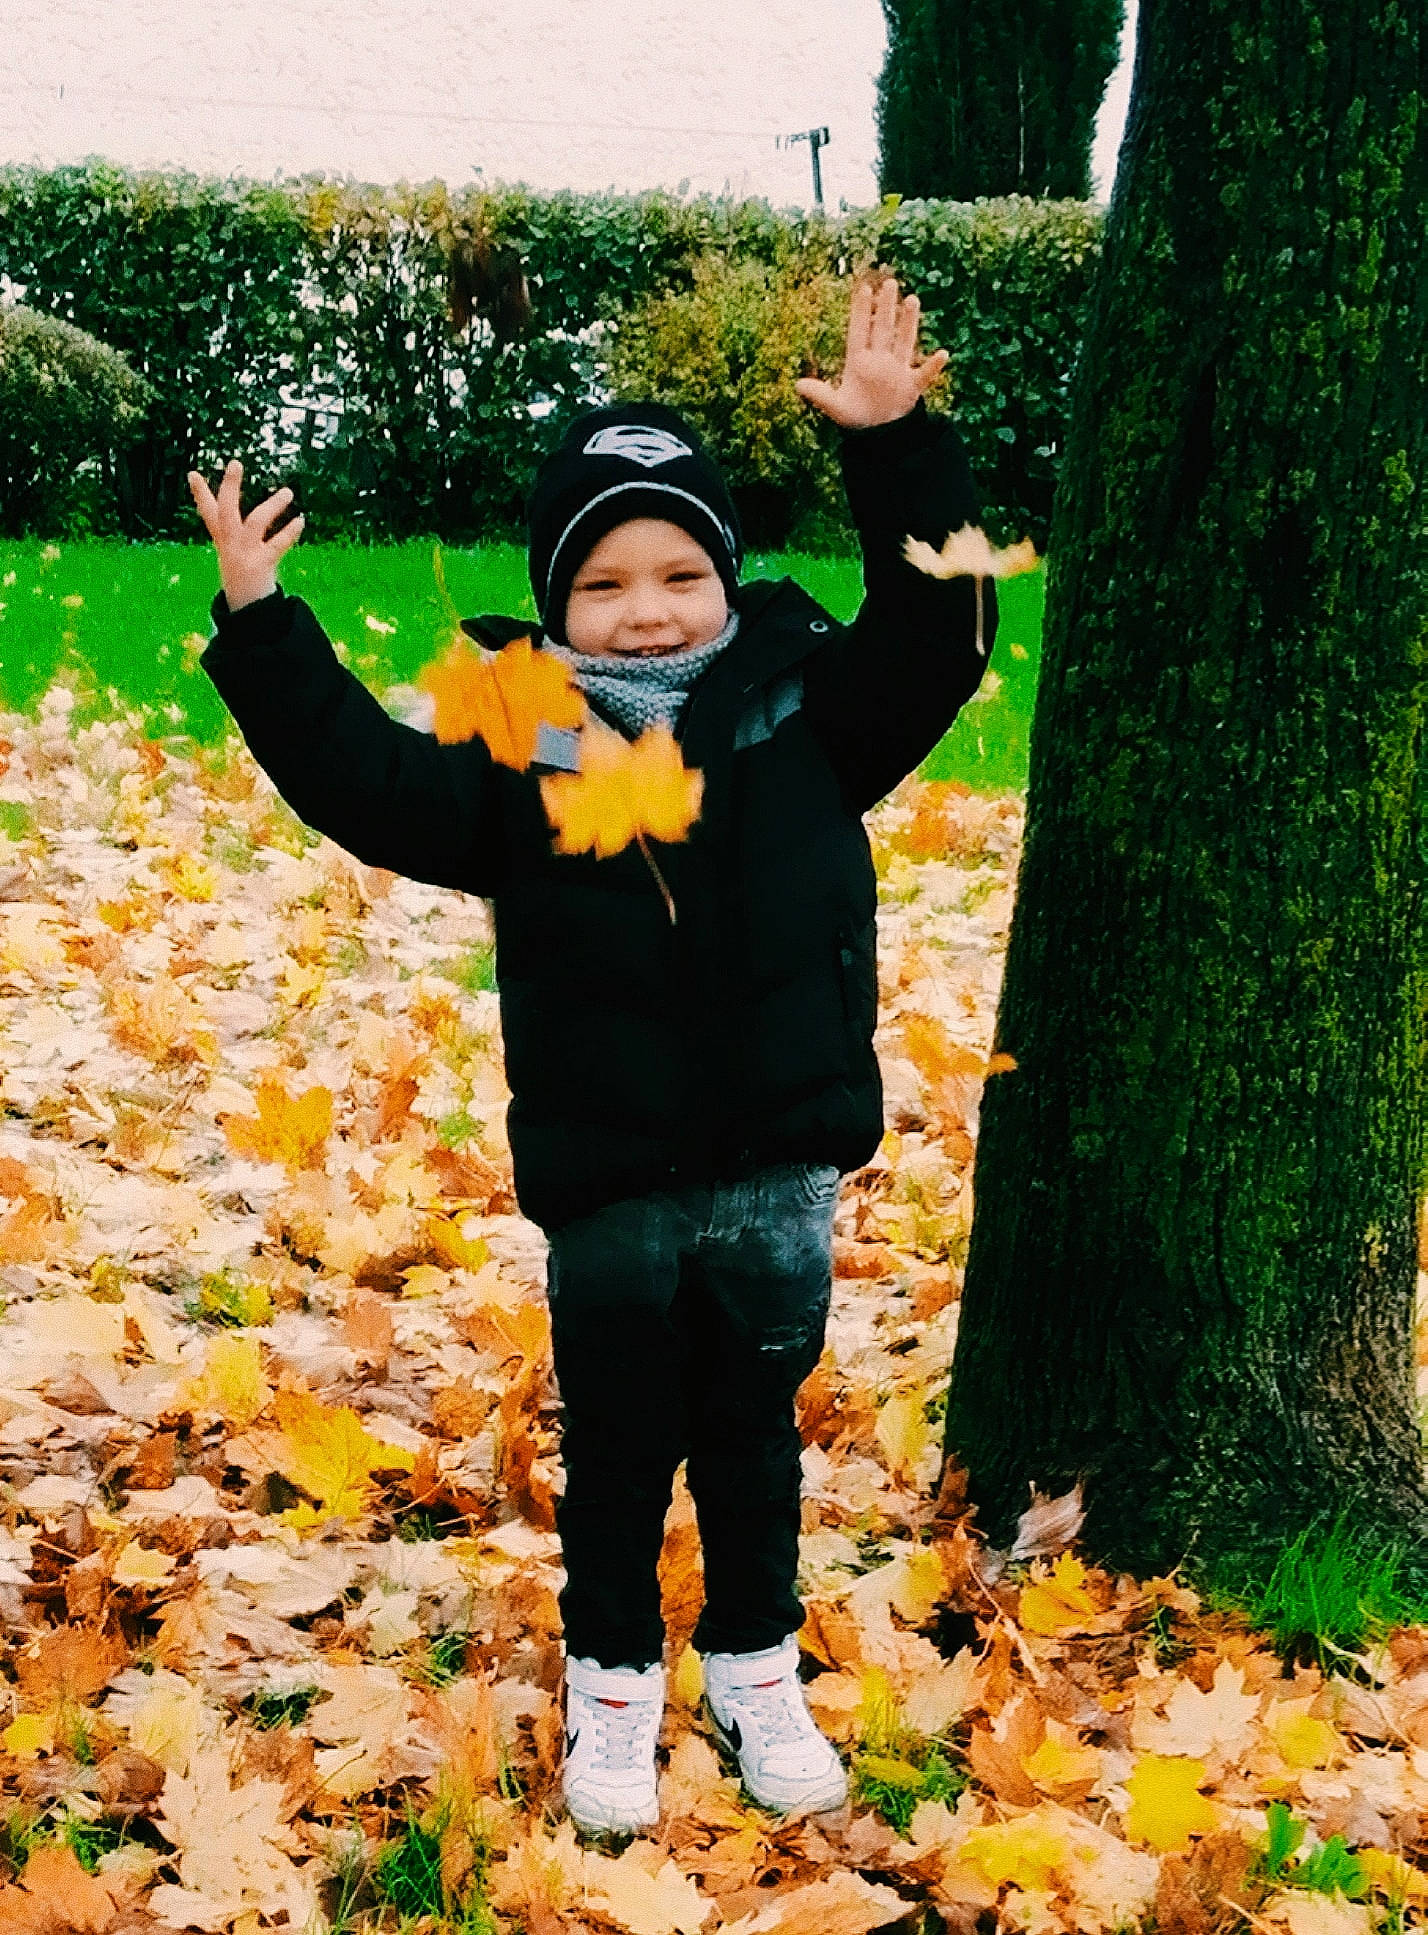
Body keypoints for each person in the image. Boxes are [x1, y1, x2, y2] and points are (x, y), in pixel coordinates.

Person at [187, 274, 998, 1840]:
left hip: (776, 1173)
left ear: (728, 579)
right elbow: (367, 784)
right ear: (556, 606)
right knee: (619, 1451)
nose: (649, 608)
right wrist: (265, 630)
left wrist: (899, 449)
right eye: (607, 581)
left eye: (681, 572)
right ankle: (614, 1680)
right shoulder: (523, 751)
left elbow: (941, 634)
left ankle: (754, 1666)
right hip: (612, 1185)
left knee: (754, 1442)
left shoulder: (809, 716)